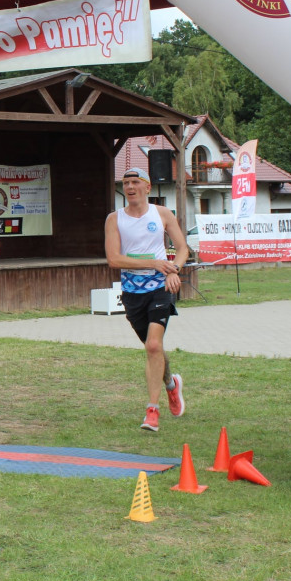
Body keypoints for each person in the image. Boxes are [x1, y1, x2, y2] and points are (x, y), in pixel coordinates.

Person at [104, 168, 190, 432]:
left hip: (159, 287)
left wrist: (174, 269)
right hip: (132, 291)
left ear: (147, 187)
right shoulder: (114, 219)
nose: (130, 187)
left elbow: (183, 249)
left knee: (154, 346)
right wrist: (153, 261)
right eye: (126, 183)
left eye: (135, 182)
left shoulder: (162, 214)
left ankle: (152, 411)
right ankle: (171, 385)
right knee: (154, 349)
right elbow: (114, 259)